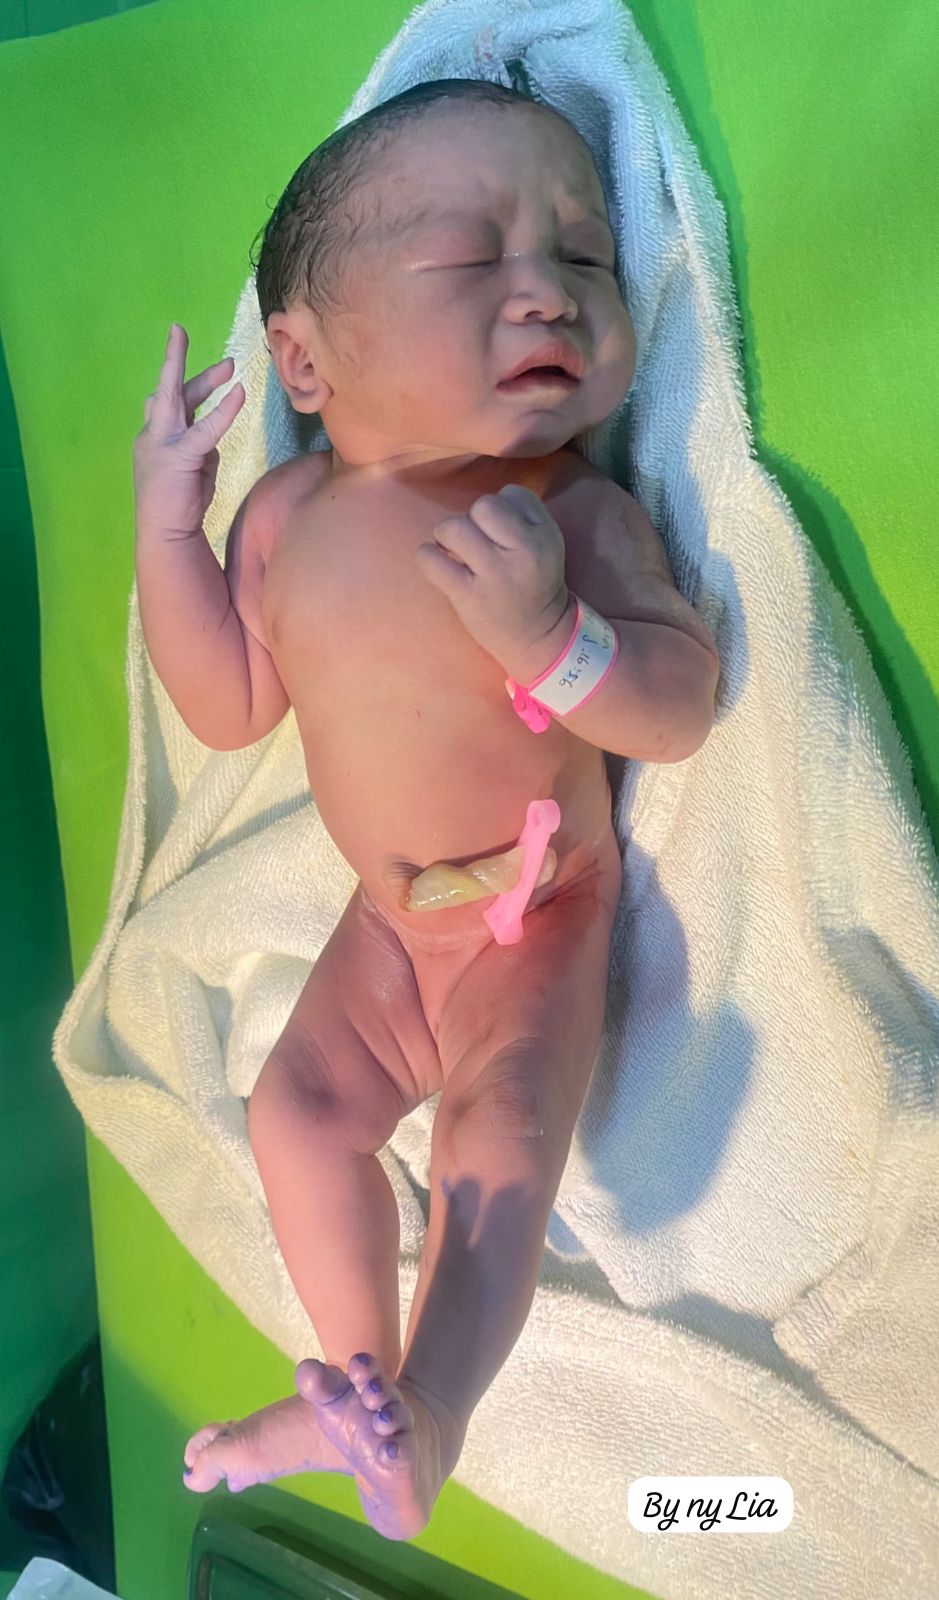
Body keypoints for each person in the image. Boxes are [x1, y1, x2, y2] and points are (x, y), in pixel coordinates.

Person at [133, 77, 721, 1541]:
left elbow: (679, 703)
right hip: (390, 921)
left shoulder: (565, 513)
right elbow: (227, 706)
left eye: (585, 257)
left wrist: (557, 642)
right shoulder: (283, 522)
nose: (550, 295)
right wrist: (170, 532)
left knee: (498, 1131)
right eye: (472, 259)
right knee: (295, 1111)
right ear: (303, 360)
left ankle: (433, 1411)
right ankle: (353, 1386)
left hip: (537, 905)